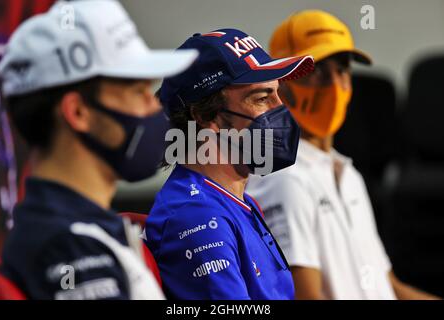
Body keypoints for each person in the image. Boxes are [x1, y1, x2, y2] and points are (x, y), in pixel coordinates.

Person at [0, 0, 197, 300]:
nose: (155, 106)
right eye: (138, 92)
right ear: (77, 112)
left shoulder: (85, 231)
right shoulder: (68, 247)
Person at [246, 10, 440, 300]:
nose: (336, 84)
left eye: (342, 70)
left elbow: (388, 286)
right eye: (318, 72)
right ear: (282, 85)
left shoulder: (348, 174)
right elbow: (303, 296)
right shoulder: (284, 178)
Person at [144, 28, 314, 300]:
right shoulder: (197, 216)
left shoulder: (236, 201)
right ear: (204, 115)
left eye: (278, 94)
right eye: (261, 98)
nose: (280, 108)